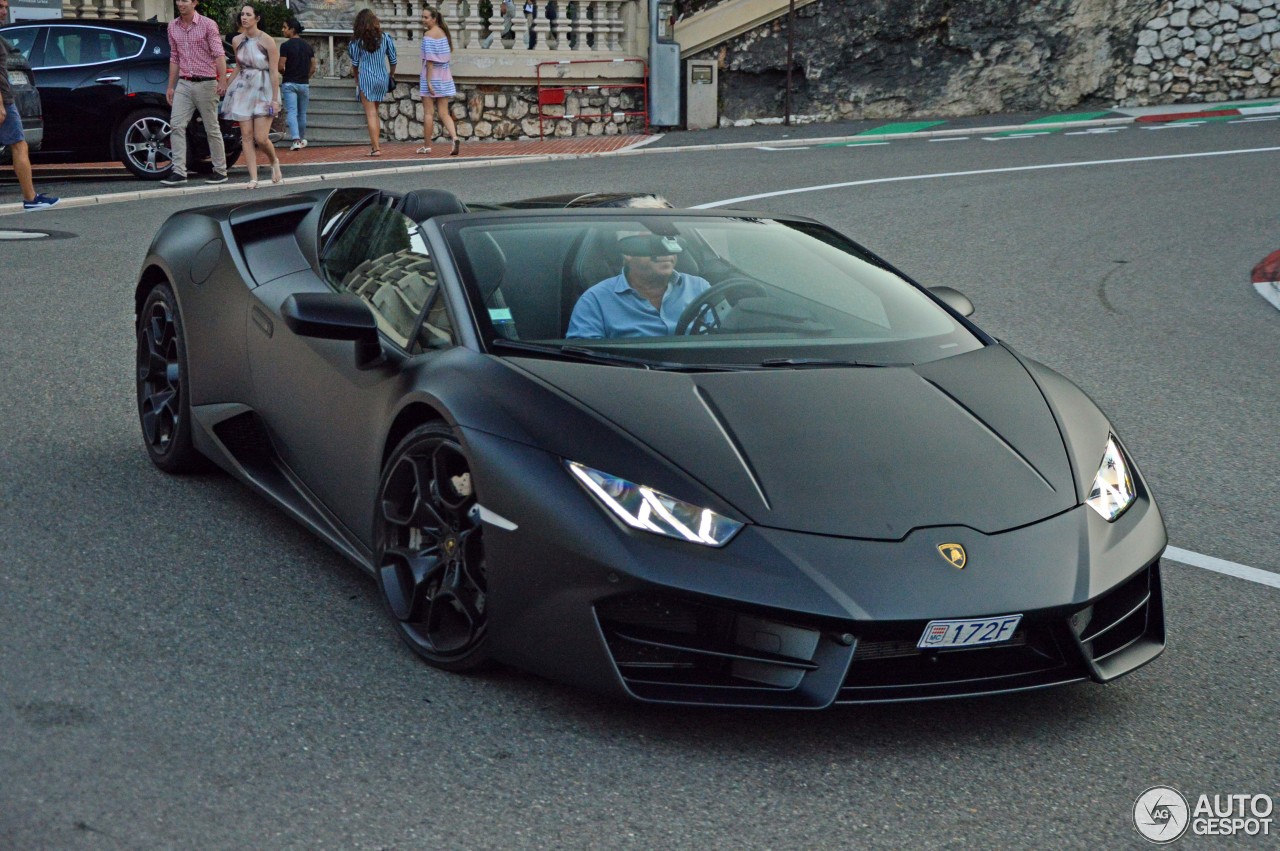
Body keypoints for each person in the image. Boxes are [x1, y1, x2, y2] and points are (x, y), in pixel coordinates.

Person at [566, 234, 710, 338]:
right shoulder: (595, 300)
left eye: (669, 241)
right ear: (627, 252)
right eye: (653, 243)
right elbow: (583, 361)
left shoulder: (701, 289)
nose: (665, 250)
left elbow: (726, 333)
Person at [0, 3, 58, 210]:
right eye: (0, 6)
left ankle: (31, 197)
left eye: (6, 6)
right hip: (3, 100)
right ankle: (31, 198)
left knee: (19, 144)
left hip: (7, 98)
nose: (4, 11)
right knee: (19, 144)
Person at [164, 0, 228, 186]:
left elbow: (218, 54)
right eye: (179, 0)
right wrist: (171, 86)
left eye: (185, 0)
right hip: (184, 82)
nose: (181, 4)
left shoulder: (207, 24)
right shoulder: (172, 26)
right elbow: (174, 56)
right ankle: (179, 171)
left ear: (195, 3)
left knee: (211, 127)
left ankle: (220, 170)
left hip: (206, 81)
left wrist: (222, 80)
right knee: (176, 124)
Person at [221, 4, 282, 188]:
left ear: (257, 18)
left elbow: (273, 72)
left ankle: (274, 161)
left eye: (248, 14)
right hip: (243, 87)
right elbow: (239, 66)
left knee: (261, 138)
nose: (244, 17)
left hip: (263, 88)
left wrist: (275, 98)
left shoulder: (268, 41)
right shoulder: (237, 40)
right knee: (246, 135)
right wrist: (225, 84)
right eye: (242, 14)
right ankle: (253, 178)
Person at [348, 9, 396, 156]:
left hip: (366, 78)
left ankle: (376, 148)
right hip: (382, 77)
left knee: (370, 113)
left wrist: (356, 79)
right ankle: (377, 146)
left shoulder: (356, 42)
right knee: (375, 112)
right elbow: (393, 60)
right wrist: (391, 75)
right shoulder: (386, 38)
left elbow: (355, 63)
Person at [416, 6, 459, 156]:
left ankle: (427, 146)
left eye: (426, 17)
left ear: (434, 19)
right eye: (423, 17)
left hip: (432, 75)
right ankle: (454, 137)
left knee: (428, 113)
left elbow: (429, 62)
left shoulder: (428, 35)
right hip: (445, 76)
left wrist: (428, 82)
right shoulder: (444, 34)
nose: (423, 20)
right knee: (444, 113)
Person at [279, 16, 316, 151]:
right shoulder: (308, 46)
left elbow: (281, 65)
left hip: (289, 82)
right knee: (302, 113)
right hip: (303, 83)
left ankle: (295, 139)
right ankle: (301, 138)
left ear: (292, 29)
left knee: (292, 111)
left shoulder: (285, 46)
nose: (283, 30)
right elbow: (313, 67)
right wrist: (306, 76)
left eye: (285, 27)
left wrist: (284, 73)